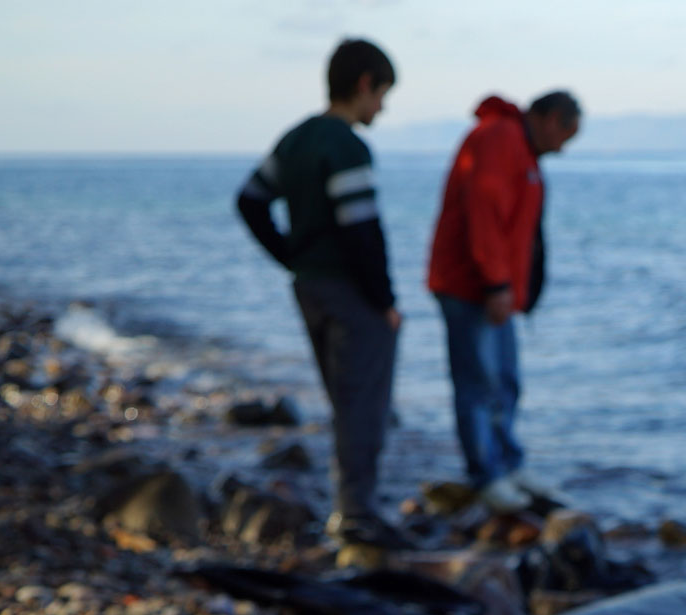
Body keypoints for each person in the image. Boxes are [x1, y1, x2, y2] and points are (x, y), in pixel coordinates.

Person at [236, 38, 409, 549]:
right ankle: (357, 515)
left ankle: (350, 507)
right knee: (363, 404)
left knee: (343, 399)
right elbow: (362, 231)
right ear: (364, 85)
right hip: (350, 292)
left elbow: (250, 201)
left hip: (309, 286)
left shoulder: (295, 139)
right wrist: (385, 300)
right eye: (382, 94)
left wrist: (292, 255)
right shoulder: (346, 146)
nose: (382, 108)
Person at [426, 91, 581, 514]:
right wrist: (495, 282)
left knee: (505, 380)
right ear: (550, 119)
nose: (563, 148)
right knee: (478, 381)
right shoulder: (500, 138)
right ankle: (486, 474)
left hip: (497, 291)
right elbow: (485, 211)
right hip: (471, 287)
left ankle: (508, 464)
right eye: (566, 135)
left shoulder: (521, 148)